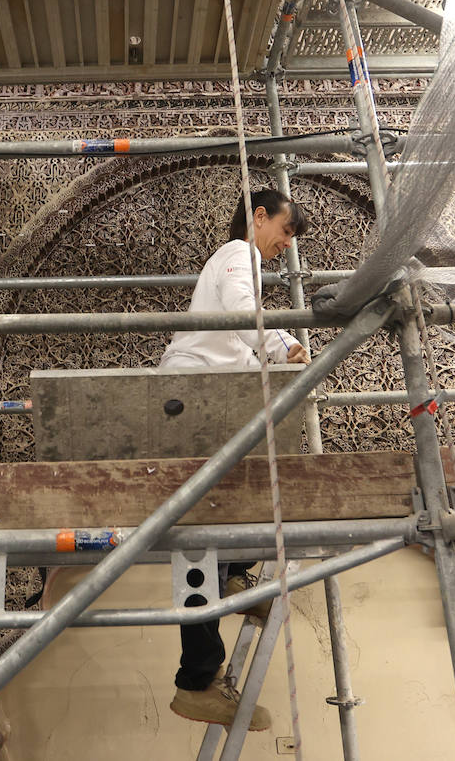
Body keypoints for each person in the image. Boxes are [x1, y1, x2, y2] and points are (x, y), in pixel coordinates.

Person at [160, 188, 312, 731]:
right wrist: (280, 345)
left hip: (203, 394)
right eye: (286, 231)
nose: (285, 246)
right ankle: (197, 680)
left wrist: (276, 346)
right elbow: (241, 315)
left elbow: (241, 332)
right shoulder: (236, 254)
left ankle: (230, 581)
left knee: (222, 513)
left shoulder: (236, 265)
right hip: (193, 395)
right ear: (259, 216)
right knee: (202, 531)